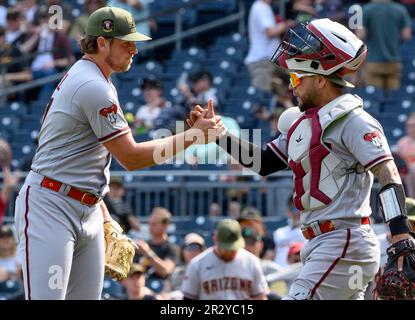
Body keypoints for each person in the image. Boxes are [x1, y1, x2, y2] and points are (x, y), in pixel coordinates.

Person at [188, 18, 415, 300]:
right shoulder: (305, 123)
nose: (291, 86)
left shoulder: (355, 121)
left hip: (344, 240)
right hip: (322, 243)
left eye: (297, 78)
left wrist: (400, 232)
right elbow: (263, 162)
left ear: (320, 79)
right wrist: (219, 134)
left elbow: (388, 174)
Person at [13, 6, 225, 300]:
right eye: (127, 43)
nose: (134, 50)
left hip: (85, 205)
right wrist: (193, 136)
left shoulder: (95, 78)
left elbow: (90, 162)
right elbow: (131, 157)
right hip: (52, 205)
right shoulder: (92, 85)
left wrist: (104, 216)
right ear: (102, 42)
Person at [181, 219, 269, 300]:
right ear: (215, 239)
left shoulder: (251, 262)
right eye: (226, 247)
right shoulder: (197, 264)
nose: (230, 251)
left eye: (233, 247)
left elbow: (260, 297)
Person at [355, 0, 412, 91]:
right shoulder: (400, 9)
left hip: (373, 62)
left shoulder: (365, 10)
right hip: (394, 62)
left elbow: (360, 36)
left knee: (375, 98)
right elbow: (406, 35)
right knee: (393, 100)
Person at [244, 0, 293, 92]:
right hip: (261, 62)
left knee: (284, 92)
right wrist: (286, 24)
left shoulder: (263, 6)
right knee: (262, 97)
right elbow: (270, 32)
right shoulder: (261, 7)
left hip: (270, 60)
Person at [135, 207, 179, 296]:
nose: (150, 227)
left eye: (154, 224)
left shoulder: (172, 248)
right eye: (150, 223)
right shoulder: (143, 245)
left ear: (165, 226)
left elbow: (165, 271)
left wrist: (147, 253)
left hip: (162, 292)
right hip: (140, 290)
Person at [273, 198, 304, 268]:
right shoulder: (279, 232)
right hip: (278, 271)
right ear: (288, 211)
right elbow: (279, 239)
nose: (297, 212)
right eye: (293, 209)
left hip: (298, 269)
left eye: (300, 209)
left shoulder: (309, 230)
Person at [397, 113, 415, 198]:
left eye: (413, 125)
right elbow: (399, 157)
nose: (411, 129)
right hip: (404, 171)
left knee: (412, 169)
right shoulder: (402, 142)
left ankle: (412, 201)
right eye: (409, 126)